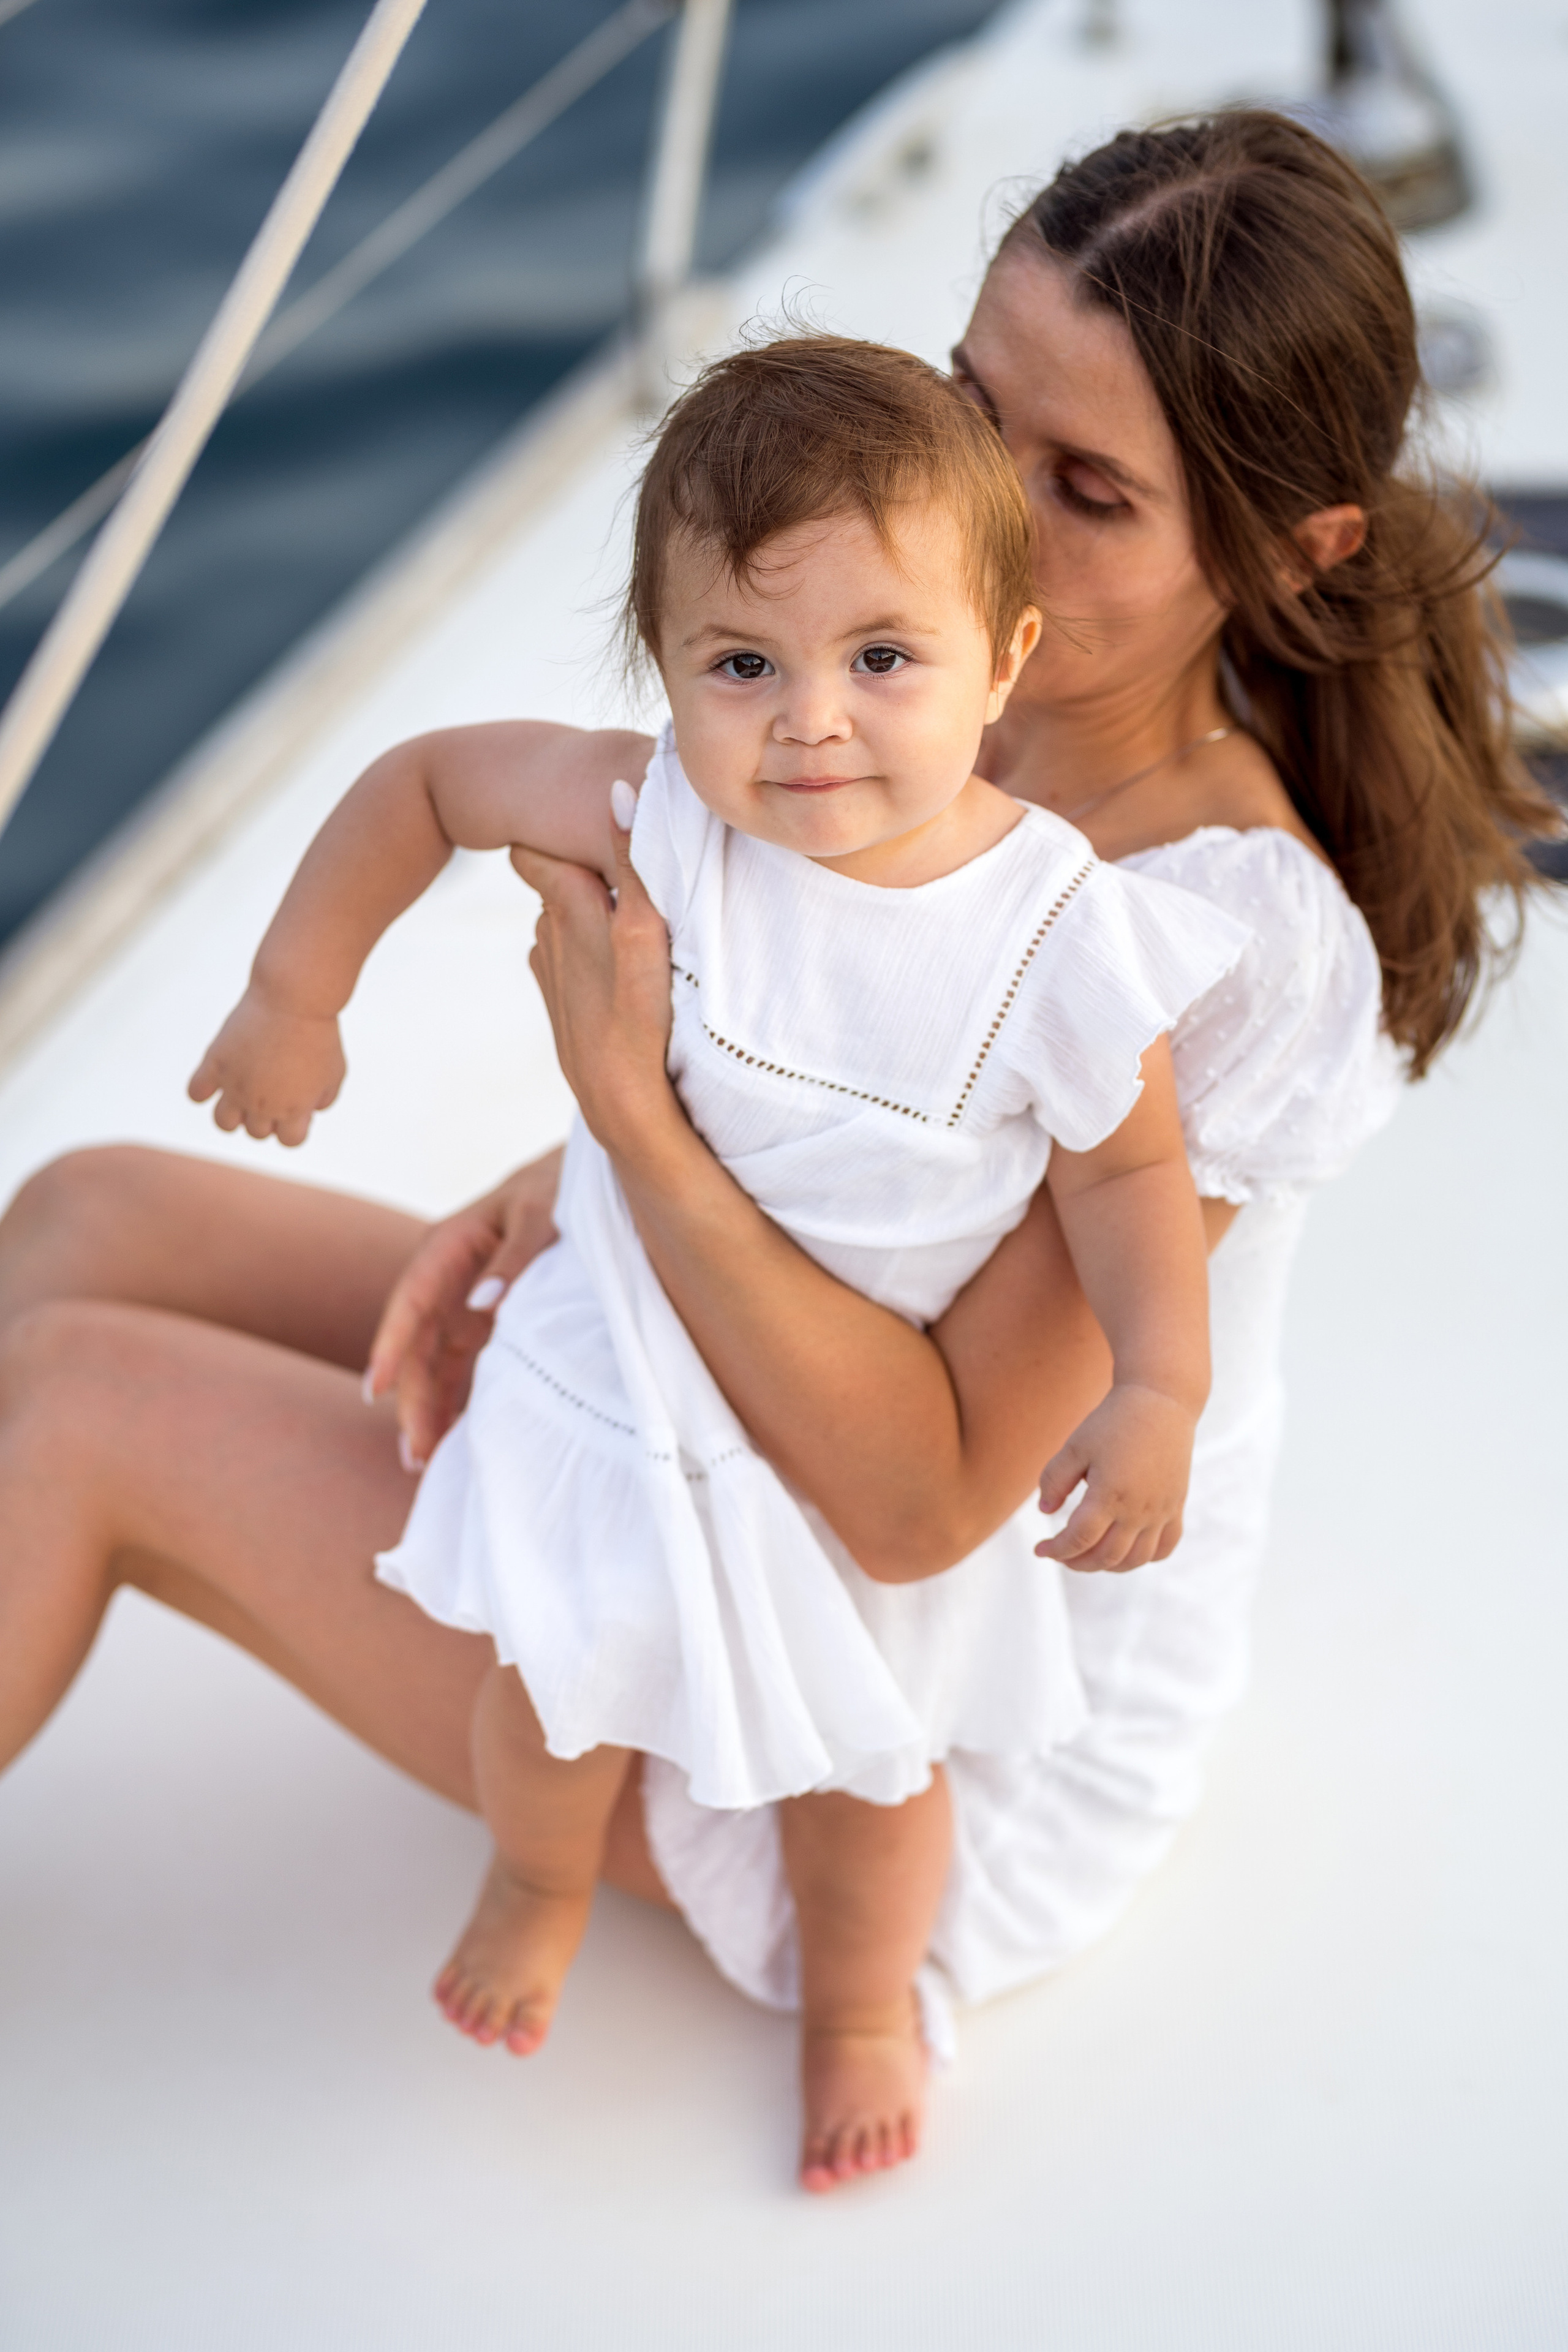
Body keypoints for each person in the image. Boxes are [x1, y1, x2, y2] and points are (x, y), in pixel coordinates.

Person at [0, 113, 1552, 2195]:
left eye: (1088, 490)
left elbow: (921, 1504)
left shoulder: (1218, 947)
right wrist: (550, 1196)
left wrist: (627, 1124)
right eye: (975, 410)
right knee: (86, 1212)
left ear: (1291, 553)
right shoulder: (901, 689)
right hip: (710, 1405)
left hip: (897, 1731)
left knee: (76, 1410)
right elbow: (825, 1096)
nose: (983, 511)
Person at [186, 335, 1246, 2183]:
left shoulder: (1058, 933)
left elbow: (1131, 1177)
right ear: (666, 669)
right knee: (554, 1683)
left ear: (1004, 659)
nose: (809, 721)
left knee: (873, 1770)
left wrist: (1160, 1386)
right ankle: (538, 1881)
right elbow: (427, 784)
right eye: (740, 664)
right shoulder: (659, 812)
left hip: (835, 1421)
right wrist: (299, 990)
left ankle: (859, 2006)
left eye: (883, 659)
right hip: (630, 1359)